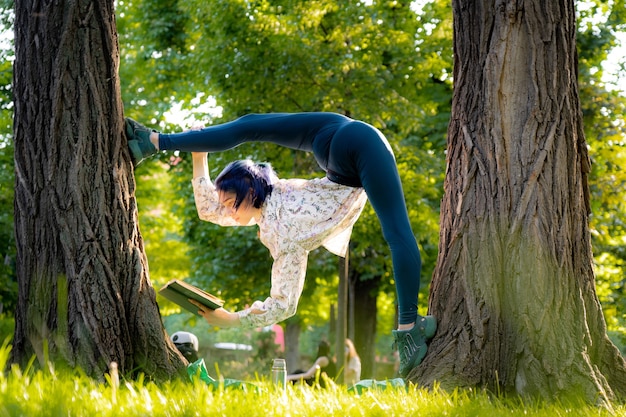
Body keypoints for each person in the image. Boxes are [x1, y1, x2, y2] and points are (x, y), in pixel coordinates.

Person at [125, 112, 437, 377]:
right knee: (250, 124)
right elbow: (210, 210)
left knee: (397, 233)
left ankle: (409, 328)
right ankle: (153, 141)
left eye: (232, 203)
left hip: (357, 151)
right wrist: (199, 155)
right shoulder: (267, 200)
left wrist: (232, 319)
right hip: (332, 140)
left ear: (250, 193)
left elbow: (284, 304)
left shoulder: (283, 232)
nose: (228, 212)